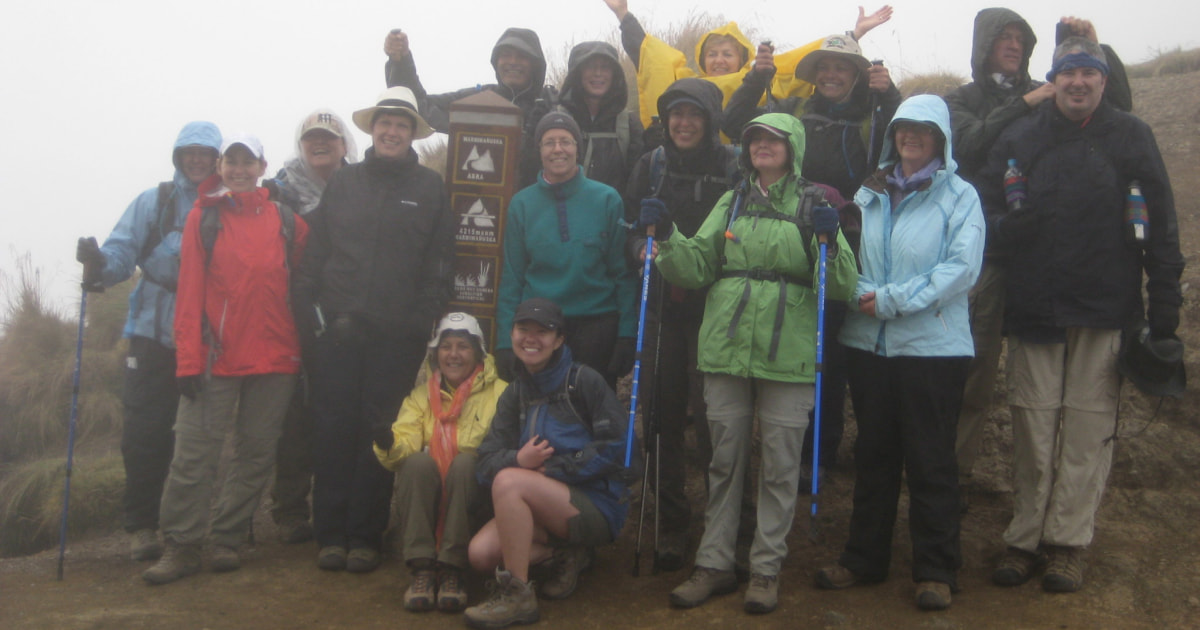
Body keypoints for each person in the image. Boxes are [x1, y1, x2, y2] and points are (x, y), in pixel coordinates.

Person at [978, 38, 1183, 593]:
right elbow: (984, 205)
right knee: (1032, 426)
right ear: (1053, 79)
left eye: (1088, 74)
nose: (1077, 83)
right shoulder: (1022, 135)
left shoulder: (1130, 135)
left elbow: (1160, 220)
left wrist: (1165, 305)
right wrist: (1003, 228)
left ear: (1102, 80)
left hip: (1105, 304)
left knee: (1088, 431)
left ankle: (1068, 543)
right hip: (1035, 304)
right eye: (1067, 73)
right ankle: (1023, 540)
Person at [641, 113, 857, 614]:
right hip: (727, 347)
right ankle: (714, 564)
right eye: (755, 138)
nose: (762, 145)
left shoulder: (815, 203)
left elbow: (843, 284)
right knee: (723, 461)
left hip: (790, 351)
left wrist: (831, 242)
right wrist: (669, 235)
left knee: (781, 466)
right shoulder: (733, 199)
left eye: (773, 139)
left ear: (792, 148)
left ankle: (765, 569)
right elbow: (697, 264)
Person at [945, 11, 1133, 502]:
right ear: (983, 45)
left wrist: (1091, 47)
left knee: (1053, 383)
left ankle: (1050, 495)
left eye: (1019, 39)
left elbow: (1117, 115)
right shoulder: (962, 99)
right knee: (975, 370)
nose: (1011, 44)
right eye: (1002, 38)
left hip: (1045, 260)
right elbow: (970, 147)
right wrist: (1024, 102)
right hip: (986, 248)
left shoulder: (1054, 85)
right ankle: (954, 475)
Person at [814, 95, 984, 611]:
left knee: (931, 460)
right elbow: (845, 253)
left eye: (924, 129)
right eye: (904, 127)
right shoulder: (868, 191)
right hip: (869, 346)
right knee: (875, 456)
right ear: (893, 134)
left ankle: (936, 569)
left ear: (941, 138)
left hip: (932, 347)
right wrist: (860, 288)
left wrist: (890, 300)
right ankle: (865, 558)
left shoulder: (960, 196)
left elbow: (961, 269)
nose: (912, 136)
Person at [722, 33, 901, 486]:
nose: (831, 75)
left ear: (858, 74)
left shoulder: (873, 116)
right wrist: (755, 78)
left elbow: (904, 143)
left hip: (846, 244)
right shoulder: (793, 112)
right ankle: (794, 449)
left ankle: (817, 454)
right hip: (786, 240)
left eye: (841, 67)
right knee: (797, 340)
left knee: (832, 352)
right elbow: (734, 123)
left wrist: (891, 94)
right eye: (824, 67)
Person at [294, 86, 456, 574]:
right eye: (385, 123)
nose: (391, 131)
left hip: (397, 337)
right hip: (337, 333)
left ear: (412, 134)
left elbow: (439, 262)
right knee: (333, 429)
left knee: (380, 431)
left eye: (402, 125)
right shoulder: (345, 184)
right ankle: (331, 534)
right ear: (372, 129)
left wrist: (419, 318)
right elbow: (316, 257)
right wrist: (314, 321)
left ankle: (365, 535)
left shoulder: (429, 189)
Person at [142, 134, 310, 584]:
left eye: (247, 161)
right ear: (221, 166)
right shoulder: (205, 218)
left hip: (277, 358)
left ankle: (227, 539)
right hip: (217, 356)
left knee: (255, 454)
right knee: (194, 455)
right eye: (231, 161)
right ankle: (180, 545)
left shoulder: (288, 222)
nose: (238, 169)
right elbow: (190, 293)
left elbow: (303, 286)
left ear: (262, 166)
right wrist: (187, 361)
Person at [75, 121, 222, 563]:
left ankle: (185, 525)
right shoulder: (152, 202)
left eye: (204, 152)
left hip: (203, 339)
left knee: (194, 438)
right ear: (178, 155)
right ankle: (142, 526)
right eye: (188, 152)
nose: (196, 159)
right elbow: (123, 252)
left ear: (216, 157)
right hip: (151, 335)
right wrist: (99, 265)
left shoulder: (224, 203)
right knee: (143, 434)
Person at [620, 77, 741, 571]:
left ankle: (725, 526)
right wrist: (638, 248)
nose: (684, 123)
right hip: (663, 310)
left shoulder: (733, 167)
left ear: (711, 120)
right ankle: (671, 525)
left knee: (717, 421)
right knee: (663, 420)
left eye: (694, 115)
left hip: (716, 308)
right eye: (676, 115)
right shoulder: (651, 166)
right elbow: (627, 232)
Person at [464, 298, 633, 629]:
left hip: (595, 506)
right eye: (523, 329)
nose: (531, 338)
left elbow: (622, 451)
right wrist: (518, 459)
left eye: (543, 332)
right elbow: (484, 462)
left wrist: (555, 469)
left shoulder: (583, 381)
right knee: (480, 554)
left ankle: (517, 598)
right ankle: (565, 555)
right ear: (511, 334)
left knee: (509, 482)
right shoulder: (515, 394)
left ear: (559, 340)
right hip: (540, 505)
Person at [373, 313, 506, 613]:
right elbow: (404, 447)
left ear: (478, 352)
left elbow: (500, 451)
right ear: (436, 353)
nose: (454, 355)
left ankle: (453, 569)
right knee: (416, 464)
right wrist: (387, 443)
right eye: (446, 347)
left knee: (464, 464)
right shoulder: (421, 397)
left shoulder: (501, 393)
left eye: (463, 346)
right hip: (433, 497)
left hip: (477, 499)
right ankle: (422, 567)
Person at [266, 109, 358, 545]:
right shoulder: (278, 193)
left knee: (339, 410)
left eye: (329, 137)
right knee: (295, 412)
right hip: (291, 311)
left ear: (345, 145)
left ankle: (336, 503)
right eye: (311, 139)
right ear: (300, 146)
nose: (320, 144)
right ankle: (288, 508)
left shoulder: (361, 187)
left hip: (348, 314)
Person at [494, 112, 638, 387]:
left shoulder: (606, 199)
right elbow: (512, 277)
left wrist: (627, 333)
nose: (558, 149)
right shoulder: (521, 205)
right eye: (549, 142)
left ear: (577, 148)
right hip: (539, 329)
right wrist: (504, 340)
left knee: (591, 417)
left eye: (566, 141)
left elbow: (622, 273)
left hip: (597, 327)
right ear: (539, 151)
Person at [603, 0, 892, 130]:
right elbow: (652, 58)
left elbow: (809, 60)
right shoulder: (689, 84)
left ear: (743, 58)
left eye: (727, 53)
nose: (719, 60)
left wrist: (852, 36)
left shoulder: (766, 78)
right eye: (712, 54)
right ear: (702, 59)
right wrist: (624, 16)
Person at [384, 27, 557, 187]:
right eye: (505, 55)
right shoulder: (476, 100)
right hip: (476, 208)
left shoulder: (552, 106)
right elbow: (418, 105)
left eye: (522, 56)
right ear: (496, 62)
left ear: (536, 64)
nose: (513, 61)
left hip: (536, 211)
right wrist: (401, 63)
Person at [558, 41, 644, 192]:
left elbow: (636, 184)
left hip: (613, 213)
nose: (598, 73)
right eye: (590, 66)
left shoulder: (629, 124)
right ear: (577, 73)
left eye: (605, 67)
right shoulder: (558, 119)